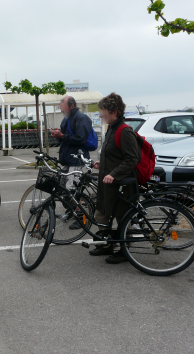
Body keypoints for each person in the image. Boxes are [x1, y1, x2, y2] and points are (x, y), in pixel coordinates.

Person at [91, 93, 140, 264]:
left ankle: (124, 251)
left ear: (113, 111)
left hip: (121, 185)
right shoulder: (111, 128)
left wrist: (113, 174)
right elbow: (114, 155)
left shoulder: (124, 131)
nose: (100, 115)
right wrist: (102, 164)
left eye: (102, 111)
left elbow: (132, 159)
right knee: (102, 213)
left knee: (122, 217)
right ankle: (106, 245)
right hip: (108, 183)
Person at [50, 95, 94, 230]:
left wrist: (62, 136)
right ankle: (71, 211)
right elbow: (64, 138)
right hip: (67, 159)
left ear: (72, 105)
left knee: (72, 189)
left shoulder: (82, 118)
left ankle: (82, 217)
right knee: (63, 189)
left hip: (77, 159)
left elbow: (81, 138)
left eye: (62, 103)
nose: (60, 106)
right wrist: (58, 135)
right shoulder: (66, 119)